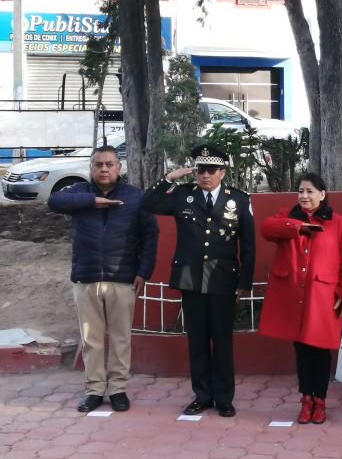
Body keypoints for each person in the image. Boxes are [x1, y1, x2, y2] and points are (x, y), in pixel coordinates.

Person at [142, 144, 255, 418]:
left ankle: (224, 397)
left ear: (222, 172)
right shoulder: (182, 195)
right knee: (198, 340)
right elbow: (148, 203)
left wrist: (244, 282)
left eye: (211, 170)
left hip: (222, 279)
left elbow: (248, 244)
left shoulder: (238, 200)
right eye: (201, 169)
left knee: (222, 340)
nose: (205, 175)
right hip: (191, 277)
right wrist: (170, 178)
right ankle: (202, 395)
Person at [48, 145, 159, 413]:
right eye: (98, 164)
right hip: (86, 279)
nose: (104, 169)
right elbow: (53, 201)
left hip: (122, 279)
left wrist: (143, 272)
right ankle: (95, 389)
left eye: (110, 164)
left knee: (121, 338)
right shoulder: (79, 194)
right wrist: (92, 202)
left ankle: (118, 389)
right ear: (91, 168)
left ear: (119, 168)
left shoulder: (135, 198)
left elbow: (150, 236)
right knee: (91, 339)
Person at [258, 174, 342, 424]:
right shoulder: (287, 216)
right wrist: (297, 226)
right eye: (301, 191)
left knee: (321, 351)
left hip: (323, 298)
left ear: (322, 194)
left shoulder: (338, 223)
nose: (304, 196)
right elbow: (266, 228)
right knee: (302, 350)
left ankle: (320, 401)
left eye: (310, 191)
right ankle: (306, 400)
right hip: (294, 297)